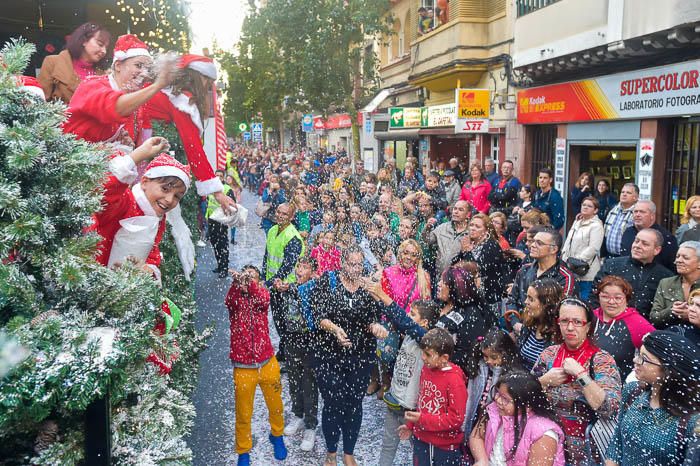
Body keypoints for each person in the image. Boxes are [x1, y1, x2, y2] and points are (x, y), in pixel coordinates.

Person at [313, 246, 388, 466]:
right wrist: (335, 330)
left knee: (354, 404)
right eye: (351, 264)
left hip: (360, 357)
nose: (355, 269)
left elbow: (373, 318)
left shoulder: (367, 287)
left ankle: (349, 452)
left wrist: (376, 327)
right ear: (342, 263)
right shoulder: (328, 281)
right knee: (333, 403)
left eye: (359, 264)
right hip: (330, 355)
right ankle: (331, 453)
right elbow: (319, 316)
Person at [533, 298, 622, 465]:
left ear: (588, 326)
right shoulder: (548, 355)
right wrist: (544, 381)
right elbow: (526, 397)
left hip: (588, 452)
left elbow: (609, 408)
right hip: (548, 446)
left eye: (577, 322)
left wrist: (581, 374)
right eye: (564, 321)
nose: (570, 327)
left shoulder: (602, 360)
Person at [91, 137, 192, 282]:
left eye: (177, 196)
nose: (170, 200)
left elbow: (152, 253)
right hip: (92, 279)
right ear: (144, 181)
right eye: (165, 189)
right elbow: (106, 190)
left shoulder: (158, 219)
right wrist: (138, 155)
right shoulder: (124, 201)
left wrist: (147, 270)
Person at [366, 287, 440, 466]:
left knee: (419, 451)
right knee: (388, 446)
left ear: (423, 323)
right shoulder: (407, 336)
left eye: (412, 314)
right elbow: (396, 319)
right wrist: (376, 295)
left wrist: (383, 295)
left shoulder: (425, 341)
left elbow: (403, 321)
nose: (408, 316)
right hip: (394, 401)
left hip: (412, 410)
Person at [605, 331, 700, 466]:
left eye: (644, 358)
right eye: (638, 354)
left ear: (668, 370)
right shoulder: (633, 392)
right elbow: (617, 442)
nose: (635, 361)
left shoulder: (691, 420)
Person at [225, 266, 287, 466]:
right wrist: (237, 285)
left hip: (267, 361)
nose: (248, 280)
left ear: (258, 282)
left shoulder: (261, 295)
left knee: (276, 406)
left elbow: (263, 300)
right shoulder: (235, 299)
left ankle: (277, 435)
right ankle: (243, 451)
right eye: (246, 276)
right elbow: (229, 302)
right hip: (243, 367)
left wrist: (250, 285)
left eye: (253, 277)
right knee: (243, 413)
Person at [397, 328, 468, 466]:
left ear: (444, 358)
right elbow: (422, 402)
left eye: (428, 354)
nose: (423, 357)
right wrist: (411, 425)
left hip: (443, 447)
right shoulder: (426, 369)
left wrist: (421, 419)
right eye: (423, 352)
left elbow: (456, 419)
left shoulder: (454, 380)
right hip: (421, 440)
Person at [469, 371, 566, 466]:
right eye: (498, 393)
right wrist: (481, 460)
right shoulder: (495, 410)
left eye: (505, 399)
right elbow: (477, 436)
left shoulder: (544, 434)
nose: (497, 400)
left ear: (527, 406)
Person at [280, 257, 319, 452]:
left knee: (309, 383)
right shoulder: (290, 288)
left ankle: (311, 425)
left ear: (312, 272)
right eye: (298, 266)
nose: (299, 270)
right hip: (292, 342)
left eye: (305, 267)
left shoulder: (313, 288)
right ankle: (298, 415)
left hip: (310, 343)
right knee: (294, 381)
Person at [593, 228, 674, 318]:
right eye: (636, 241)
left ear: (657, 250)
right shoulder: (612, 265)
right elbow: (595, 296)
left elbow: (661, 311)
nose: (637, 246)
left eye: (645, 244)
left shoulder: (665, 276)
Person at [262, 203, 304, 364]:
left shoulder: (293, 237)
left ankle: (290, 357)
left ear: (291, 217)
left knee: (289, 323)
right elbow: (267, 256)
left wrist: (270, 282)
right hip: (274, 285)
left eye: (285, 214)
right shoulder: (272, 230)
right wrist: (263, 274)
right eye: (279, 212)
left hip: (287, 287)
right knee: (278, 320)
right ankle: (284, 349)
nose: (280, 215)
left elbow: (287, 266)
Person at [464, 328, 523, 439]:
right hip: (476, 412)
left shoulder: (509, 374)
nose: (489, 361)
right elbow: (470, 395)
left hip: (493, 418)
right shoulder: (479, 367)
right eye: (485, 356)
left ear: (506, 354)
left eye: (494, 357)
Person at [592, 275, 656, 378]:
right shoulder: (589, 317)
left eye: (618, 298)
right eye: (605, 296)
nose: (611, 302)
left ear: (626, 299)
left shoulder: (638, 324)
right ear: (598, 297)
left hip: (619, 385)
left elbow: (658, 355)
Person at [436, 263, 494, 374]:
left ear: (455, 287)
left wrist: (440, 361)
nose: (438, 284)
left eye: (443, 282)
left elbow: (466, 354)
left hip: (452, 374)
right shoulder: (442, 304)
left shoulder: (471, 315)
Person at [507, 227, 578, 316]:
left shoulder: (565, 277)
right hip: (520, 325)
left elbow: (562, 310)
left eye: (539, 243)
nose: (532, 245)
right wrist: (515, 322)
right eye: (533, 241)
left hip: (546, 328)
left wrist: (530, 326)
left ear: (554, 249)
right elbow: (511, 300)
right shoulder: (524, 270)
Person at [38, 22, 111, 103]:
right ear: (84, 41)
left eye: (106, 48)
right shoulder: (52, 63)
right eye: (100, 44)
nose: (104, 51)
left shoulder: (103, 75)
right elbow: (40, 103)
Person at [452, 213, 505, 318]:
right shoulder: (471, 244)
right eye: (471, 225)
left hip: (488, 298)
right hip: (471, 296)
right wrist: (463, 251)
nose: (472, 228)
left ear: (486, 231)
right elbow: (454, 264)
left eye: (477, 226)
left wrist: (467, 252)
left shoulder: (491, 246)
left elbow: (479, 269)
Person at [513, 279, 563, 372]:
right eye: (526, 297)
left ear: (546, 304)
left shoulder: (559, 335)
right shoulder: (529, 325)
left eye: (531, 299)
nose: (525, 302)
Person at [561, 196, 604, 300]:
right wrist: (564, 256)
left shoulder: (596, 226)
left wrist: (577, 261)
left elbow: (593, 248)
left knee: (584, 299)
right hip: (570, 267)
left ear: (595, 210)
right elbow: (568, 241)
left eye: (589, 206)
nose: (585, 207)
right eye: (584, 205)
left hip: (585, 269)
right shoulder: (577, 221)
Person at [650, 241, 700, 329]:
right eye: (677, 256)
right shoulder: (666, 283)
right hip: (671, 336)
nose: (679, 260)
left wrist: (690, 314)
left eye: (685, 258)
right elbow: (654, 318)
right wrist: (672, 311)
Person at [619, 200, 678, 271]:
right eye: (635, 211)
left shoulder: (666, 237)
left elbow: (671, 267)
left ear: (652, 216)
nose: (637, 215)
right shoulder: (628, 232)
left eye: (642, 212)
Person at [426, 200, 471, 274]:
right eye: (455, 208)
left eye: (460, 210)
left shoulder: (470, 233)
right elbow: (428, 240)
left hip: (459, 277)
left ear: (468, 214)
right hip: (439, 275)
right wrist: (427, 228)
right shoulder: (443, 227)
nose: (456, 212)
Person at [206, 170, 236, 277]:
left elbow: (233, 204)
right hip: (211, 220)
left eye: (220, 176)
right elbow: (208, 203)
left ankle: (224, 268)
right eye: (216, 175)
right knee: (214, 244)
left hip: (221, 222)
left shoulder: (227, 189)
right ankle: (219, 265)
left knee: (222, 245)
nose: (218, 177)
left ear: (223, 178)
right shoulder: (211, 188)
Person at [604, 183, 639, 258]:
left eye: (628, 193)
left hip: (627, 258)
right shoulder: (613, 210)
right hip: (609, 256)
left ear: (635, 198)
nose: (624, 194)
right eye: (622, 192)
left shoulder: (638, 213)